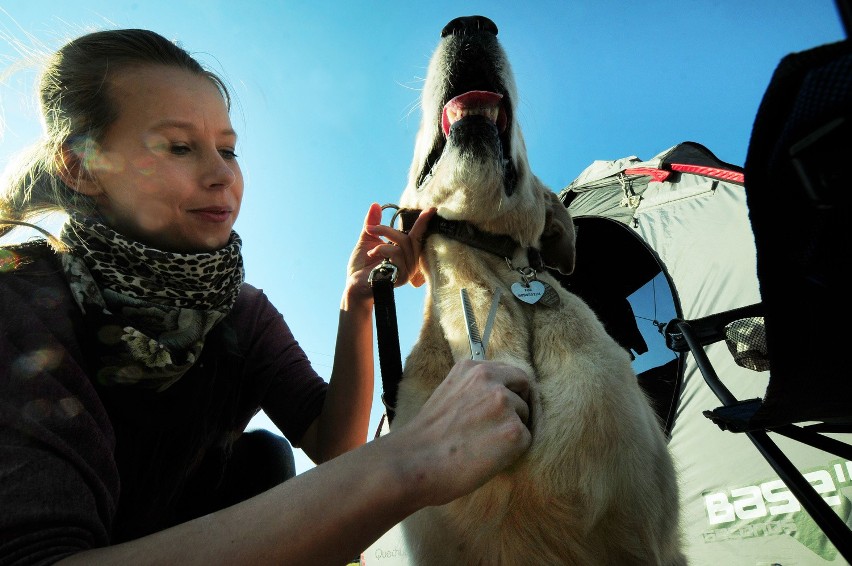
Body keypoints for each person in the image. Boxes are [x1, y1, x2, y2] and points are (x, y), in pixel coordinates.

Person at [0, 29, 532, 565]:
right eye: (180, 147)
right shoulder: (21, 303)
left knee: (264, 459)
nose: (220, 176)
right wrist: (411, 459)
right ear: (82, 167)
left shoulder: (240, 311)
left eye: (227, 150)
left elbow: (334, 444)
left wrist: (357, 302)